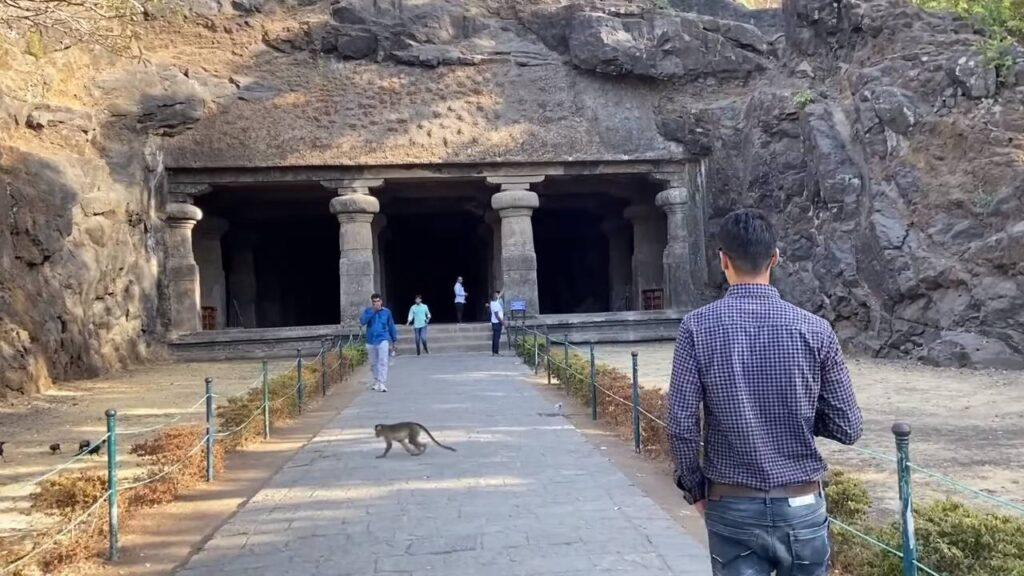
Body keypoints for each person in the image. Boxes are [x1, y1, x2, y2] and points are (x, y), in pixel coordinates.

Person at [667, 208, 862, 576]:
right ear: (775, 257)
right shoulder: (816, 330)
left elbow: (680, 424)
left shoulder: (695, 328)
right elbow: (848, 428)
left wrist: (695, 489)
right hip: (802, 502)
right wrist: (799, 411)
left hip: (731, 502)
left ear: (722, 260)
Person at [359, 293, 398, 392]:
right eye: (374, 302)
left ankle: (382, 383)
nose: (376, 303)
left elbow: (391, 326)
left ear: (381, 301)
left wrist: (394, 340)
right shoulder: (368, 311)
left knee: (383, 361)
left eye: (378, 301)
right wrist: (373, 311)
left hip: (383, 339)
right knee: (373, 363)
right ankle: (376, 380)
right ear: (372, 302)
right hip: (370, 340)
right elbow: (362, 321)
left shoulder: (387, 312)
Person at [488, 290, 505, 356]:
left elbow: (500, 295)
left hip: (495, 322)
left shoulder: (493, 302)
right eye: (496, 295)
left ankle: (494, 352)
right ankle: (496, 352)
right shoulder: (495, 304)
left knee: (495, 338)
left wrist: (504, 288)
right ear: (494, 297)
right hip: (497, 322)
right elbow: (497, 316)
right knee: (496, 338)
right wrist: (503, 322)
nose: (498, 295)